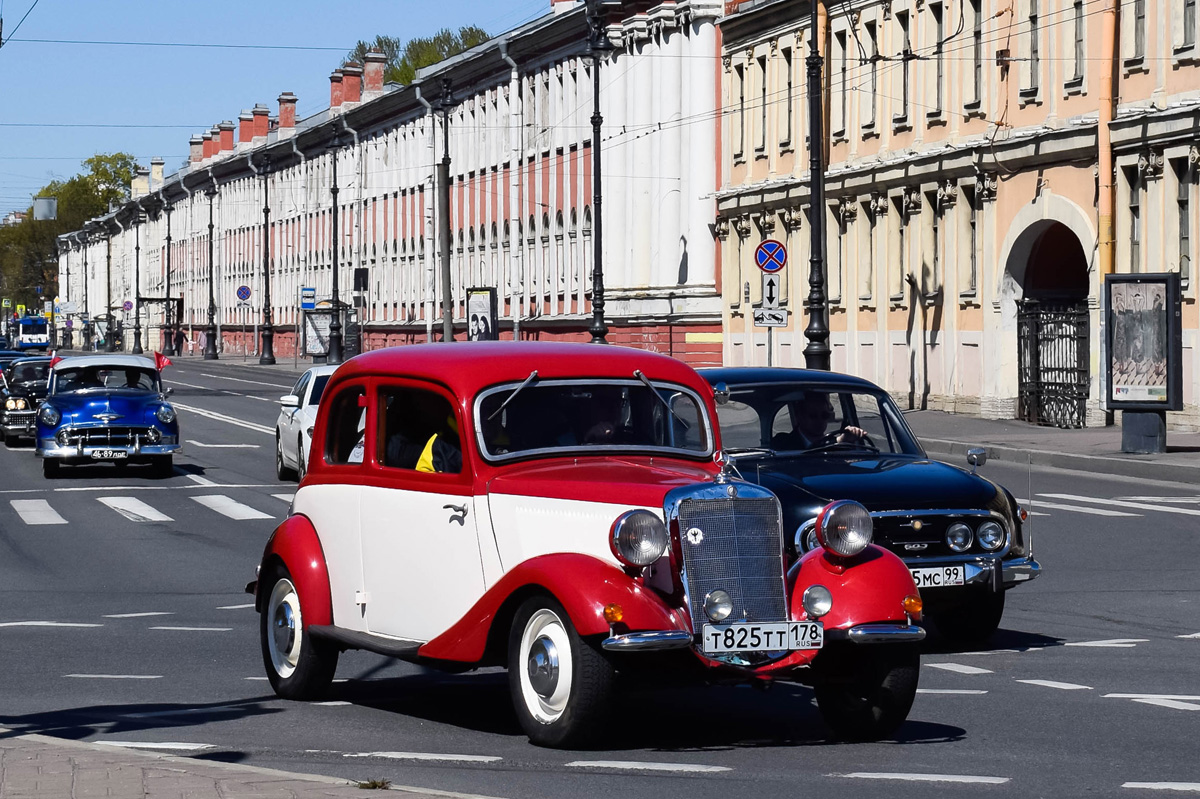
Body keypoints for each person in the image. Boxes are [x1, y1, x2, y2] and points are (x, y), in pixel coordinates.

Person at [772, 393, 867, 450]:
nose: (819, 420)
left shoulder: (837, 444)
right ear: (799, 417)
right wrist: (838, 441)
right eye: (813, 416)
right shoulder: (783, 442)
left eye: (824, 415)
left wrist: (851, 438)